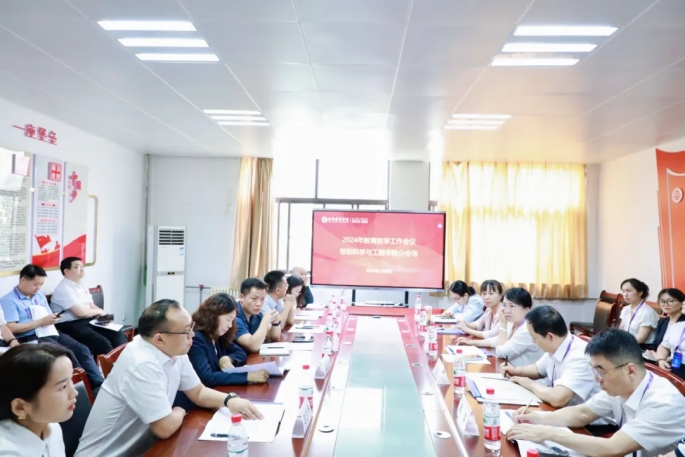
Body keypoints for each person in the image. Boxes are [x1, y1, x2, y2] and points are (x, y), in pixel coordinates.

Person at [75, 299, 262, 457]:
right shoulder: (141, 363)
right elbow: (164, 428)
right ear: (159, 339)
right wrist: (179, 409)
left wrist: (230, 400)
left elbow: (198, 392)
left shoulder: (175, 348)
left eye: (191, 327)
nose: (192, 335)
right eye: (186, 331)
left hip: (145, 447)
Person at [508, 329, 685, 457]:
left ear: (630, 370)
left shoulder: (663, 402)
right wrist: (537, 418)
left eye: (601, 371)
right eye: (594, 371)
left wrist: (547, 433)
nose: (596, 379)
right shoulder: (622, 384)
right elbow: (583, 413)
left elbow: (613, 448)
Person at [0, 264, 103, 393]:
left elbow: (48, 315)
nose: (38, 288)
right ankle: (79, 389)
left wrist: (53, 318)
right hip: (30, 336)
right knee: (66, 355)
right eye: (35, 284)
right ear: (23, 280)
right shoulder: (8, 300)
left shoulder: (39, 296)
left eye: (41, 284)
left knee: (82, 350)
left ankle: (97, 386)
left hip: (50, 331)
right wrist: (40, 322)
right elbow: (11, 328)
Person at [501, 306, 600, 408]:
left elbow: (558, 398)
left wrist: (528, 383)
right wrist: (515, 371)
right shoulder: (558, 345)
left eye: (534, 337)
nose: (533, 342)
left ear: (550, 337)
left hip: (584, 417)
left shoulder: (580, 357)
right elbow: (538, 369)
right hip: (563, 412)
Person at [0, 344, 78, 456]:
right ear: (20, 407)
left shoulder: (51, 426)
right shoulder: (7, 452)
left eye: (71, 379)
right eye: (63, 386)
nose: (74, 393)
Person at [49, 257, 128, 356]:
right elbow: (81, 313)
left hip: (87, 320)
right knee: (103, 343)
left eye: (82, 266)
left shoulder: (81, 284)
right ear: (66, 271)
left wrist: (105, 316)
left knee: (117, 333)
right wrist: (100, 312)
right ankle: (109, 365)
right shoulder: (63, 289)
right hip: (69, 324)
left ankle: (124, 361)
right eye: (77, 267)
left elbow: (91, 305)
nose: (82, 269)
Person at [494, 287, 543, 367]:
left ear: (527, 309)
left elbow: (501, 353)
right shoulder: (513, 322)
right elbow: (498, 340)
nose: (507, 310)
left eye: (512, 306)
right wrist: (473, 343)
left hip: (526, 374)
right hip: (513, 370)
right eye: (504, 305)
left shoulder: (527, 330)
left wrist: (503, 325)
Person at [234, 277, 281, 353]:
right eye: (254, 299)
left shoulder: (256, 314)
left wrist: (276, 323)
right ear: (242, 297)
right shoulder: (234, 317)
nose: (259, 304)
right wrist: (265, 321)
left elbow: (274, 337)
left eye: (262, 299)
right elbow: (253, 346)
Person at [455, 280, 504, 348]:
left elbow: (492, 334)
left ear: (500, 296)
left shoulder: (504, 312)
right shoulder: (489, 309)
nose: (486, 297)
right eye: (484, 294)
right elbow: (479, 324)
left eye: (491, 293)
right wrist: (466, 324)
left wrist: (467, 330)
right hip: (490, 347)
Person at [619, 278, 659, 345]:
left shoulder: (647, 312)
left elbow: (640, 339)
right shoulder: (626, 309)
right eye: (623, 291)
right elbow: (621, 329)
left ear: (640, 293)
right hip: (627, 344)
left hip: (641, 346)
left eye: (629, 291)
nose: (625, 294)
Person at [644, 288, 685, 353]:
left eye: (670, 301)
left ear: (682, 303)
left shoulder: (683, 322)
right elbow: (656, 344)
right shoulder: (662, 321)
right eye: (662, 301)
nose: (665, 304)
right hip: (660, 356)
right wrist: (649, 351)